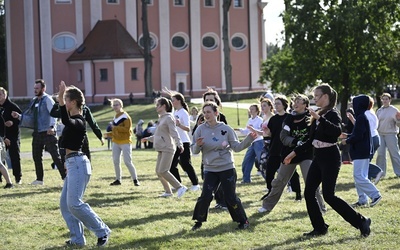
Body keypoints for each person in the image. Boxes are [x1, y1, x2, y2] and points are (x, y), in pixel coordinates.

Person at [284, 83, 371, 237]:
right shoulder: (317, 114)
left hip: (330, 157)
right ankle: (319, 227)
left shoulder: (332, 114)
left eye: (317, 96)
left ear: (325, 96)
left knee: (329, 195)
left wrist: (319, 118)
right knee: (309, 192)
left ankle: (361, 221)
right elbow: (310, 140)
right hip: (318, 157)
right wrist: (293, 154)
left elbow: (336, 131)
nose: (314, 99)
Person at [57, 81, 111, 247]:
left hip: (79, 164)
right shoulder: (73, 119)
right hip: (72, 163)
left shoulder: (79, 121)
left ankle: (102, 231)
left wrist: (59, 98)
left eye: (66, 100)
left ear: (73, 102)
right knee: (65, 205)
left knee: (74, 203)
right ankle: (77, 239)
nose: (64, 103)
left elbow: (66, 121)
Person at [191, 102, 257, 231]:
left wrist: (249, 139)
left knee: (230, 197)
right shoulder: (200, 129)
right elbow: (194, 151)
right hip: (210, 169)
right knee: (206, 196)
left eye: (208, 112)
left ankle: (243, 221)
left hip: (227, 168)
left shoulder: (226, 129)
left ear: (216, 113)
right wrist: (198, 145)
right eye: (204, 113)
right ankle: (198, 221)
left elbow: (237, 148)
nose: (206, 115)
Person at [257, 94, 326, 213]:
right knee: (279, 181)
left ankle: (321, 207)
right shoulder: (288, 119)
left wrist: (302, 145)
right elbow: (283, 137)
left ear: (305, 105)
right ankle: (267, 206)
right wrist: (296, 142)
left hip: (306, 154)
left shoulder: (310, 118)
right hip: (289, 155)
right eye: (294, 102)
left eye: (299, 102)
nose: (295, 104)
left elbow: (312, 137)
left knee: (311, 181)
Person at [12, 79, 65, 184]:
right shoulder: (34, 101)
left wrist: (52, 127)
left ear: (43, 88)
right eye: (34, 88)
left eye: (37, 88)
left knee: (55, 156)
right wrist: (19, 117)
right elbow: (31, 117)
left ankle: (65, 177)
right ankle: (39, 179)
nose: (35, 90)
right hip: (37, 133)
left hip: (48, 132)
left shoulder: (48, 99)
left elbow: (53, 114)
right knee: (36, 156)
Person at [340, 95, 382, 208]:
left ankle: (375, 195)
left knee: (359, 176)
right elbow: (359, 134)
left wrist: (346, 141)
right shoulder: (361, 117)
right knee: (360, 176)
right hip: (362, 150)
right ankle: (362, 199)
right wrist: (348, 135)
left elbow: (358, 136)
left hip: (361, 151)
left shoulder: (361, 118)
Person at [141, 97, 187, 198]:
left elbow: (174, 132)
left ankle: (180, 187)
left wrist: (180, 144)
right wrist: (148, 138)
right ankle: (168, 192)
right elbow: (159, 134)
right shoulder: (161, 118)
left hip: (168, 147)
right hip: (161, 147)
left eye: (158, 105)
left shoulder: (169, 117)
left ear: (164, 106)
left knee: (163, 170)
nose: (156, 107)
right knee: (158, 171)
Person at [192, 88, 228, 210]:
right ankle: (210, 199)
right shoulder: (200, 118)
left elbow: (226, 133)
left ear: (216, 102)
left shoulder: (221, 117)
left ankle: (222, 201)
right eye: (206, 100)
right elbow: (194, 135)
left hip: (220, 155)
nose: (208, 101)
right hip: (206, 155)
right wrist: (198, 127)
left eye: (211, 100)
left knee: (222, 178)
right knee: (206, 177)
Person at [169, 92, 200, 191]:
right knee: (171, 165)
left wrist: (179, 124)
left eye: (173, 100)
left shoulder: (183, 112)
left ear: (179, 101)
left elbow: (187, 128)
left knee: (186, 164)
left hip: (184, 142)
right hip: (176, 142)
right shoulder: (175, 112)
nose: (171, 102)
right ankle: (178, 185)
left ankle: (195, 184)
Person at [108, 99, 140, 186]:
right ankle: (118, 180)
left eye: (117, 105)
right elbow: (115, 130)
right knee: (115, 161)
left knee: (127, 162)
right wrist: (109, 134)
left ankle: (135, 180)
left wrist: (115, 128)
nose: (115, 106)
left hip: (125, 141)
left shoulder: (126, 116)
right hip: (116, 142)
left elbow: (127, 130)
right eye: (114, 105)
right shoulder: (115, 116)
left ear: (121, 105)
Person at [236, 104, 263, 183]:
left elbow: (261, 132)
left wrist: (253, 130)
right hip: (251, 143)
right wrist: (239, 129)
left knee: (262, 161)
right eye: (250, 109)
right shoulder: (249, 120)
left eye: (252, 109)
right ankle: (246, 179)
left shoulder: (260, 120)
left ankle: (269, 178)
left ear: (257, 111)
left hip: (258, 142)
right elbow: (246, 131)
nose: (250, 110)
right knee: (246, 161)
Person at [0, 87, 22, 184]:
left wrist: (12, 122)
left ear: (5, 95)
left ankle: (18, 178)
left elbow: (21, 118)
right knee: (1, 158)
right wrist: (3, 137)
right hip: (2, 136)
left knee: (14, 156)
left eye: (0, 94)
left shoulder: (12, 106)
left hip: (13, 135)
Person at [375, 93, 400, 178]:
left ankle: (398, 172)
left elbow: (398, 124)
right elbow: (376, 124)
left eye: (386, 99)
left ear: (390, 100)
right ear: (381, 100)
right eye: (383, 99)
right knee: (380, 154)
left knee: (394, 154)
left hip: (391, 134)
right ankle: (380, 174)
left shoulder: (394, 110)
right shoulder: (379, 111)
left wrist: (398, 119)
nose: (385, 101)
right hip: (380, 134)